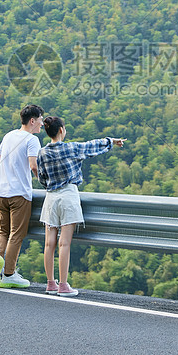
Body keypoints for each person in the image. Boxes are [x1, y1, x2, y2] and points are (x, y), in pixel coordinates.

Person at [37, 116, 124, 297]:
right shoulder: (71, 148)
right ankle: (63, 285)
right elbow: (92, 146)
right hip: (68, 196)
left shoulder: (42, 153)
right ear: (61, 130)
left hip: (51, 198)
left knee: (49, 243)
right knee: (64, 243)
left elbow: (42, 179)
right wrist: (112, 141)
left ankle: (50, 284)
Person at [0, 104, 44, 289]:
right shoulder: (32, 140)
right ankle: (9, 274)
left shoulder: (9, 135)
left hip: (1, 193)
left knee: (2, 231)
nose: (42, 124)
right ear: (32, 121)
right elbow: (33, 165)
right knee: (16, 234)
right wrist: (44, 181)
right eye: (41, 120)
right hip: (19, 194)